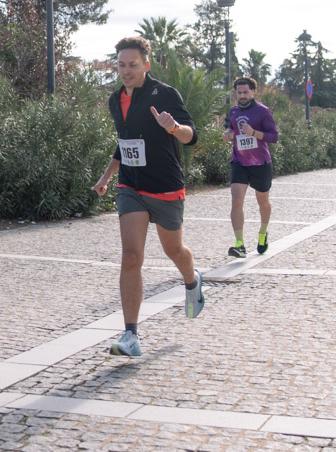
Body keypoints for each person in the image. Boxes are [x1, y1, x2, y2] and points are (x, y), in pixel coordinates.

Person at [91, 35, 203, 357]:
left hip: (166, 186)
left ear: (146, 65)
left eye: (133, 65)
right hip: (131, 186)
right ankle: (131, 335)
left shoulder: (165, 94)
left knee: (174, 250)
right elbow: (125, 142)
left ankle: (192, 280)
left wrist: (173, 127)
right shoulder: (115, 100)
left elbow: (191, 136)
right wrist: (107, 176)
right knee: (131, 256)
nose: (126, 71)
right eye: (121, 65)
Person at [222, 76, 279, 257]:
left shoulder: (263, 111)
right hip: (239, 161)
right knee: (236, 200)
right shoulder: (233, 111)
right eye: (239, 93)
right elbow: (232, 128)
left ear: (253, 91)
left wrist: (253, 132)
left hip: (260, 163)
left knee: (263, 201)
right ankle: (240, 244)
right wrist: (228, 134)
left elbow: (274, 137)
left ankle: (263, 233)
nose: (242, 96)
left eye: (245, 92)